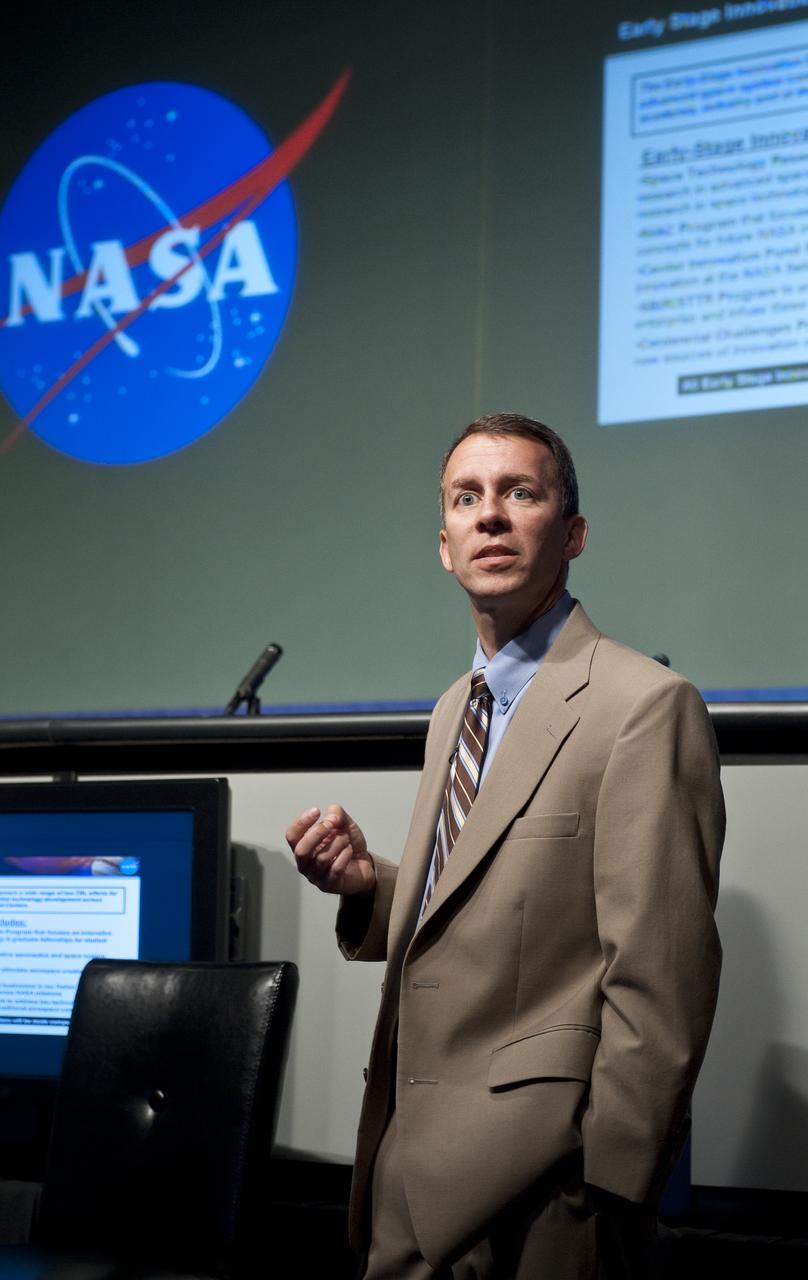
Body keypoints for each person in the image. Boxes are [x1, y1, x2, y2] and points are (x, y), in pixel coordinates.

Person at [286, 413, 724, 1279]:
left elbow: (662, 975)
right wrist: (369, 885)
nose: (489, 515)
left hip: (545, 1196)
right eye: (467, 497)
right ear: (444, 546)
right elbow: (491, 890)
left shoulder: (645, 705)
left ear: (573, 532)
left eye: (519, 492)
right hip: (405, 1168)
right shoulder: (457, 705)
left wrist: (608, 1193)